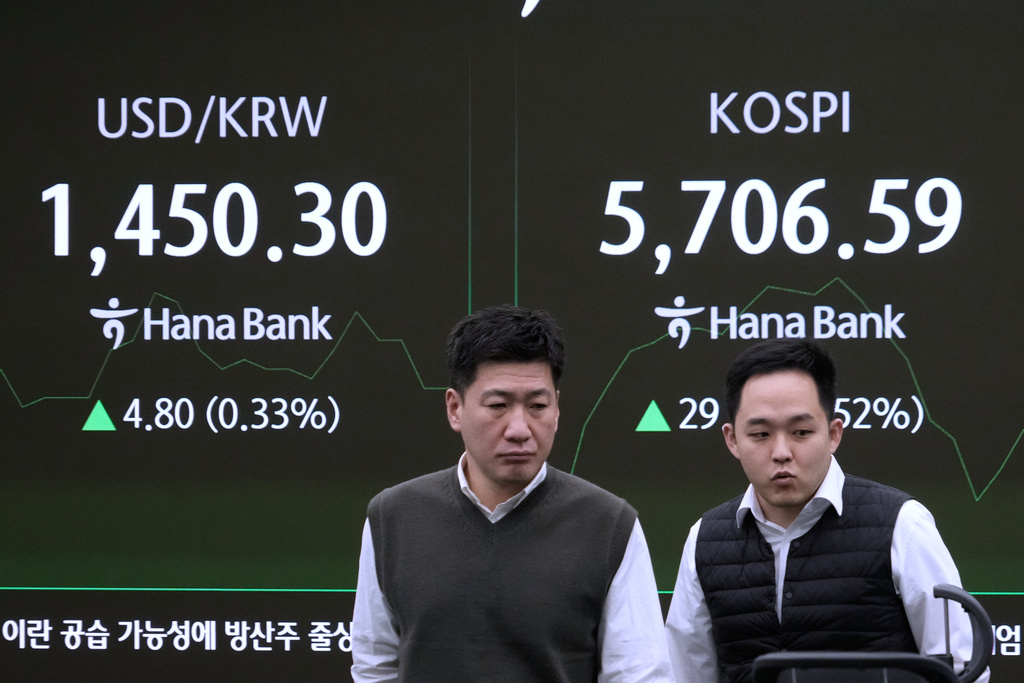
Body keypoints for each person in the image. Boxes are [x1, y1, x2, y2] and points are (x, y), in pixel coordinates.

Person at [351, 304, 673, 682]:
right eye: (498, 406)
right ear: (455, 408)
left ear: (557, 409)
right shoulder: (394, 517)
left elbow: (639, 674)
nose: (519, 428)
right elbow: (376, 666)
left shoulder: (610, 524)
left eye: (537, 406)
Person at [665, 339, 988, 683]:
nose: (781, 452)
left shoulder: (902, 524)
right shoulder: (705, 538)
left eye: (801, 432)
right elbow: (684, 673)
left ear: (833, 433)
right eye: (760, 434)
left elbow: (960, 671)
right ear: (732, 440)